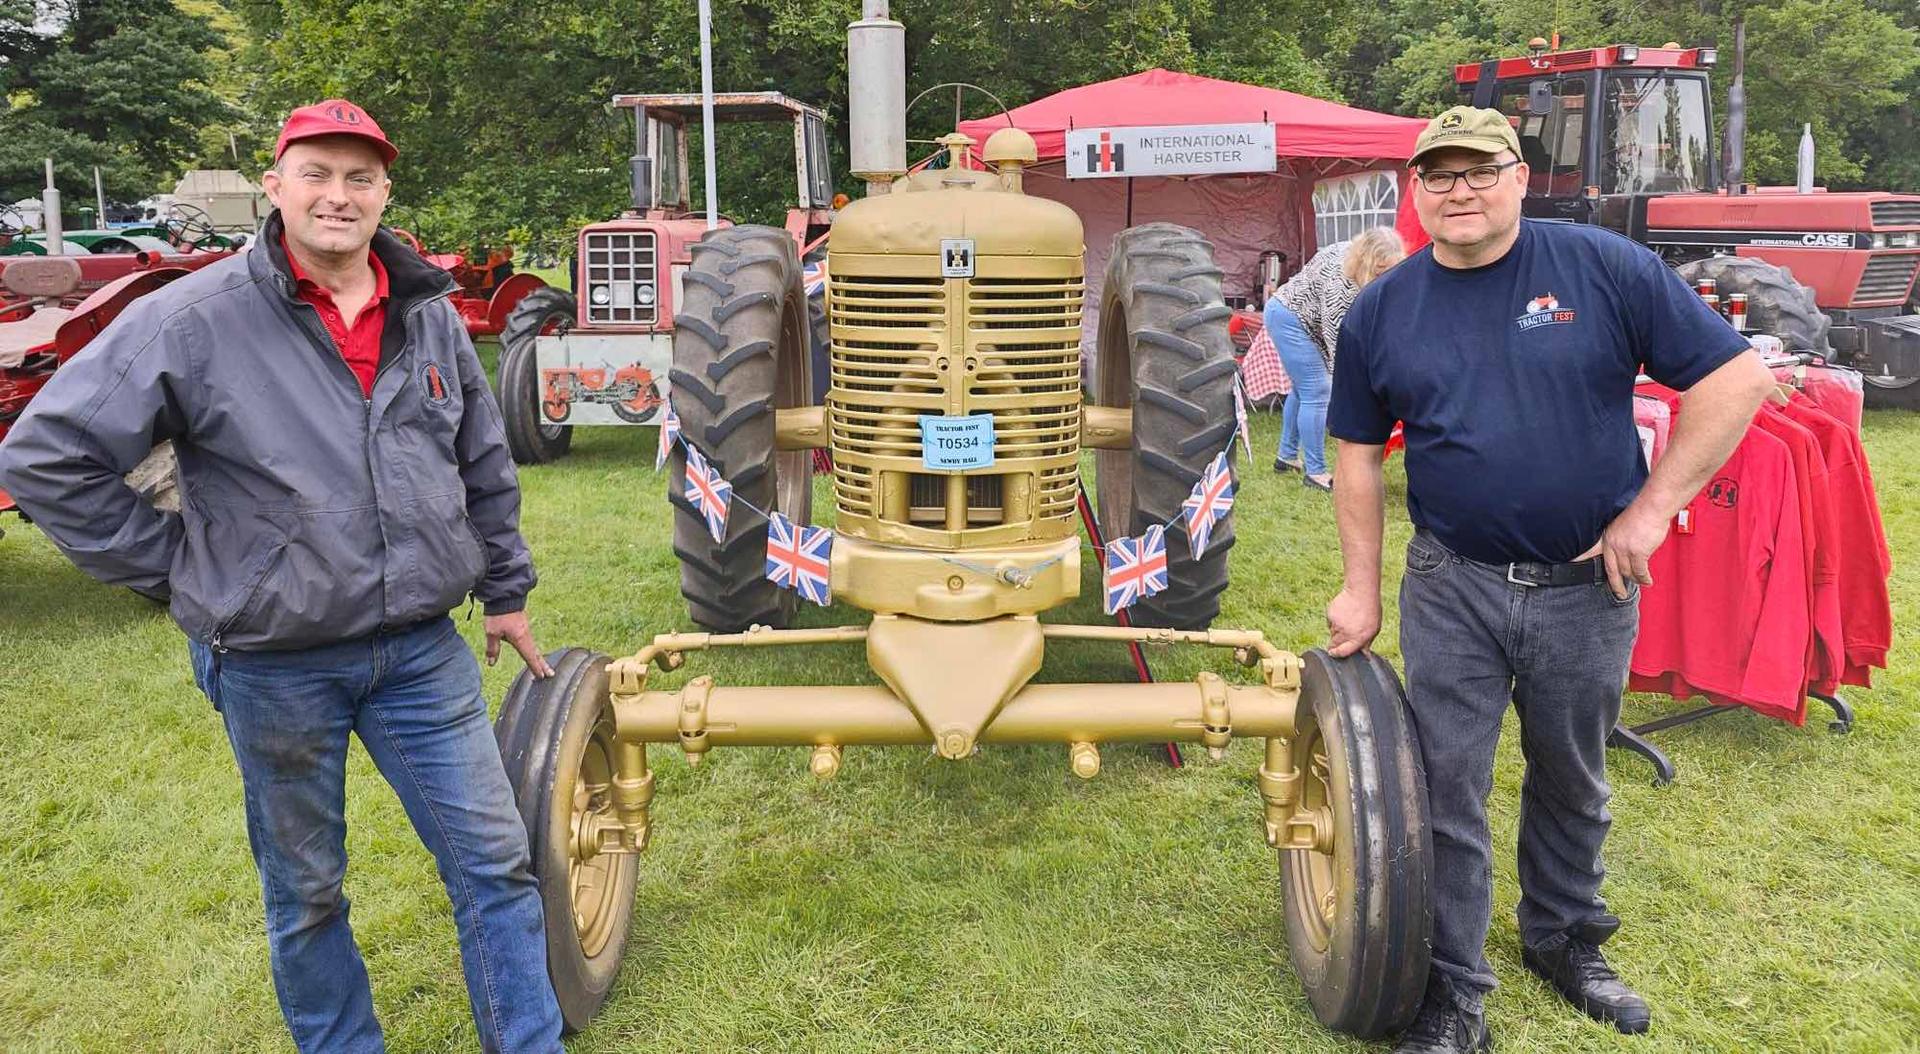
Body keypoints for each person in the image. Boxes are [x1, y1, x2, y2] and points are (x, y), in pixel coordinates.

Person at [0, 100, 565, 1053]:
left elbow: (481, 460)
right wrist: (181, 569)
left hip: (422, 655)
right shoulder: (196, 317)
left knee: (497, 864)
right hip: (276, 663)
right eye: (317, 173)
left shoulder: (426, 316)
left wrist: (504, 590)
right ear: (276, 186)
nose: (338, 196)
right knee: (307, 893)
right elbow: (45, 455)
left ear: (385, 193)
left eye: (360, 178)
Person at [1323, 106, 1774, 1053]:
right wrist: (1359, 588)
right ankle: (1453, 994)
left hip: (1584, 589)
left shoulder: (1600, 268)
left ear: (1520, 177)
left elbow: (1735, 379)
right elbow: (1356, 453)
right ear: (1416, 193)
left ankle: (1564, 942)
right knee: (1446, 789)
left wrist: (1650, 512)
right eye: (1438, 176)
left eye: (1479, 170)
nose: (1460, 191)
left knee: (1572, 777)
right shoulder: (1383, 307)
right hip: (1452, 586)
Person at [1269, 227, 1405, 491]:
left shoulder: (1358, 256)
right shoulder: (1341, 287)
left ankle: (1286, 457)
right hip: (1289, 319)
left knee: (1301, 390)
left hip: (1302, 317)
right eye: (1381, 269)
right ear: (1365, 262)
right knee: (1317, 390)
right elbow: (1340, 352)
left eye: (1392, 268)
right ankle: (1315, 472)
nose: (1387, 275)